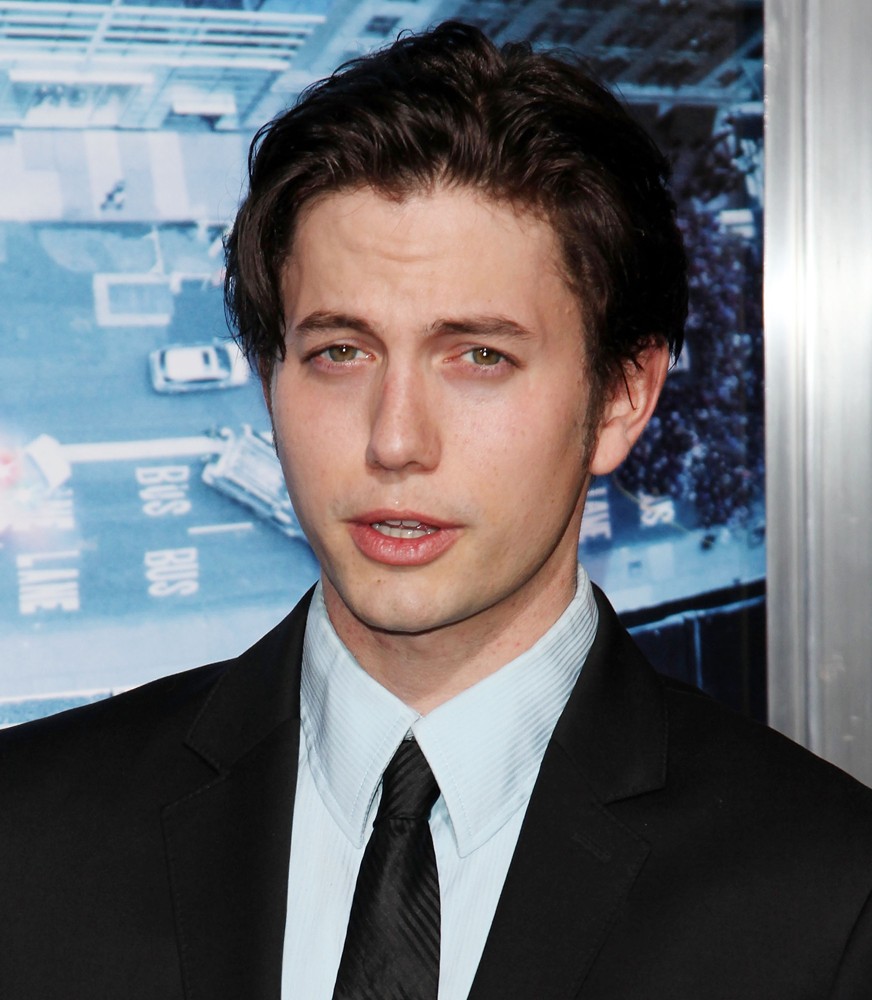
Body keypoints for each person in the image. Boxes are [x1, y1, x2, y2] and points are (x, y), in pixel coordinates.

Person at [2, 21, 871, 1000]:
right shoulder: (26, 835)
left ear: (620, 398)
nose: (395, 438)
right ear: (267, 372)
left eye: (479, 356)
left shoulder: (828, 898)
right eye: (340, 351)